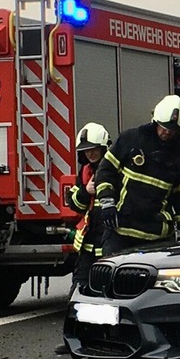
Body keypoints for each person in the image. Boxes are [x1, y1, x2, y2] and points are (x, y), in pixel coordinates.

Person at [95, 94, 180, 256]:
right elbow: (105, 171)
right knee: (113, 279)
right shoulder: (131, 139)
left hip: (156, 237)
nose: (166, 132)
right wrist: (107, 204)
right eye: (163, 127)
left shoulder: (179, 158)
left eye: (172, 130)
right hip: (120, 231)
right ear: (155, 121)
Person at [67, 122, 110, 290]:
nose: (90, 153)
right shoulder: (85, 172)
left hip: (109, 245)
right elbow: (74, 204)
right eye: (86, 150)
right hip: (88, 247)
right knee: (78, 291)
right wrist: (86, 191)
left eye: (94, 149)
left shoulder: (115, 170)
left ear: (103, 148)